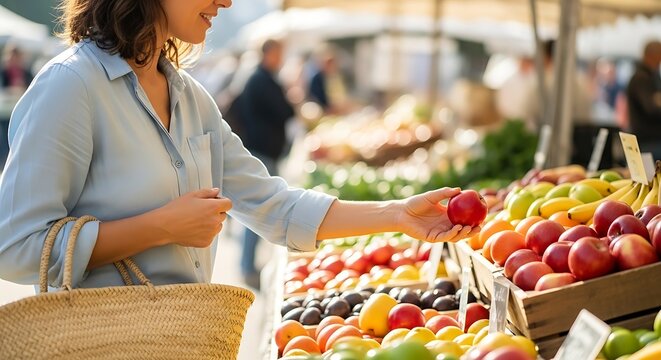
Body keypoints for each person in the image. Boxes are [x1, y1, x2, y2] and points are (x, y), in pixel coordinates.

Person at [0, 0, 477, 296]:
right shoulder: (71, 86)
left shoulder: (189, 96)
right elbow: (15, 247)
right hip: (100, 343)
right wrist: (160, 227)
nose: (226, 2)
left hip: (184, 337)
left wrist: (396, 215)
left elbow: (274, 206)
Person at [234, 39, 295, 289]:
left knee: (258, 209)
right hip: (262, 150)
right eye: (279, 53)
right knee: (258, 210)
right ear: (268, 53)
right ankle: (248, 267)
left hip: (262, 149)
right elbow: (285, 111)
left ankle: (249, 266)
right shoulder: (261, 79)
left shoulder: (260, 77)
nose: (281, 58)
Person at [626, 41, 661, 160]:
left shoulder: (650, 77)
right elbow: (651, 107)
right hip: (647, 141)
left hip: (649, 141)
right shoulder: (642, 78)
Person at [308, 45, 349, 115]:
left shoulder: (337, 75)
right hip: (325, 112)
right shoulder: (317, 78)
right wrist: (327, 107)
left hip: (340, 110)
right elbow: (315, 97)